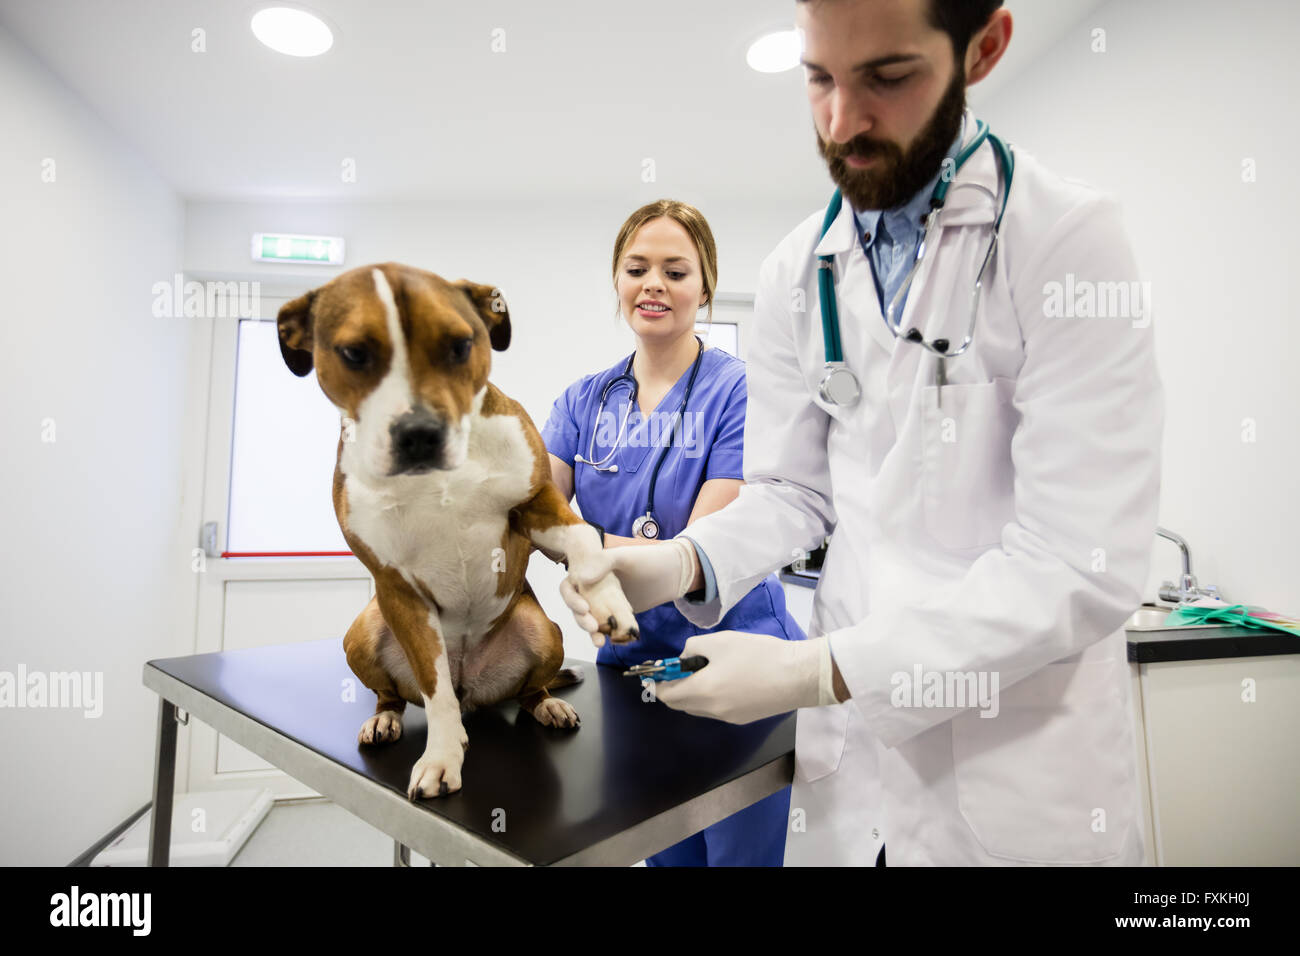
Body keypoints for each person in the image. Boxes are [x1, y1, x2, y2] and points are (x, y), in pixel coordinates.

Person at [560, 0, 1162, 866]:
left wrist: (821, 671)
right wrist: (683, 562)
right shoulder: (796, 270)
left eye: (886, 76)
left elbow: (1079, 565)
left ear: (983, 47)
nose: (842, 121)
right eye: (819, 79)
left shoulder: (1066, 240)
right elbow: (794, 493)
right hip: (855, 776)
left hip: (1018, 763)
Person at [541, 198, 808, 867]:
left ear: (705, 289)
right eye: (637, 268)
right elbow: (537, 516)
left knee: (738, 856)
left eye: (675, 270)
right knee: (665, 854)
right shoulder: (583, 402)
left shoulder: (740, 391)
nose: (653, 283)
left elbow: (704, 542)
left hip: (737, 657)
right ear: (618, 282)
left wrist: (588, 547)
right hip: (633, 670)